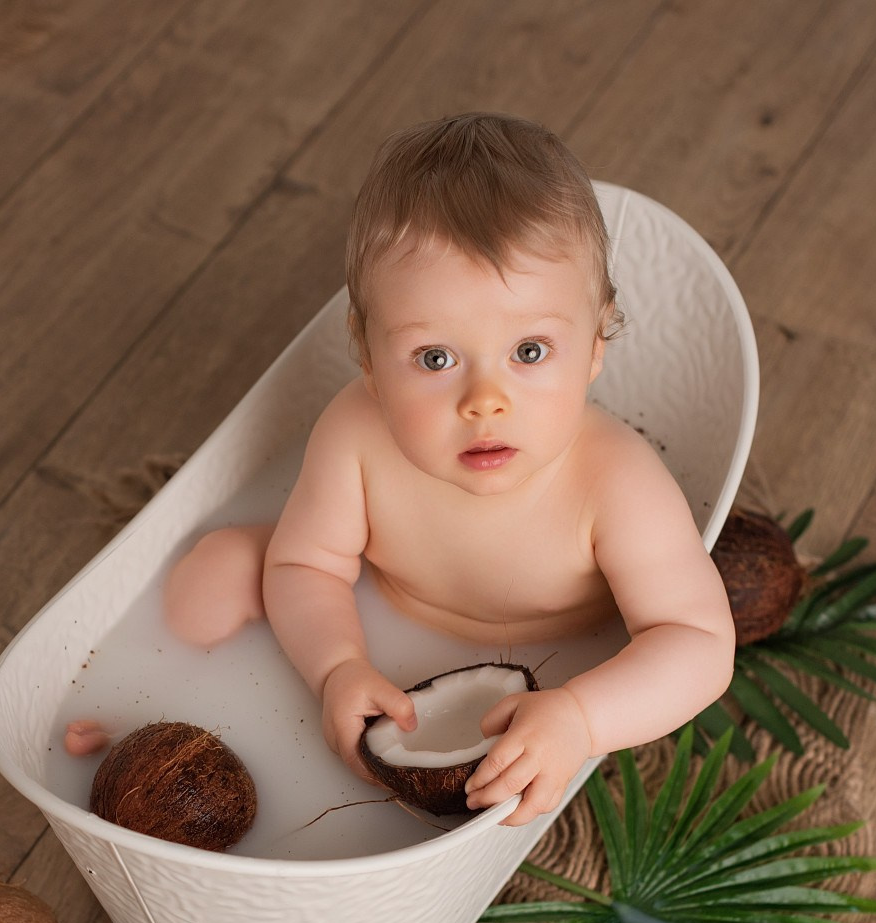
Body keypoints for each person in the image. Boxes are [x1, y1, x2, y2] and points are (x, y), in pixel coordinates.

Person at [160, 112, 735, 828]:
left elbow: (698, 642)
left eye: (529, 351)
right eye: (435, 358)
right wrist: (337, 666)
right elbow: (307, 565)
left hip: (557, 655)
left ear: (595, 344)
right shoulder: (354, 436)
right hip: (386, 595)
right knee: (199, 598)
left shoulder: (617, 483)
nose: (484, 401)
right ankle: (253, 549)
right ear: (368, 356)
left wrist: (580, 717)